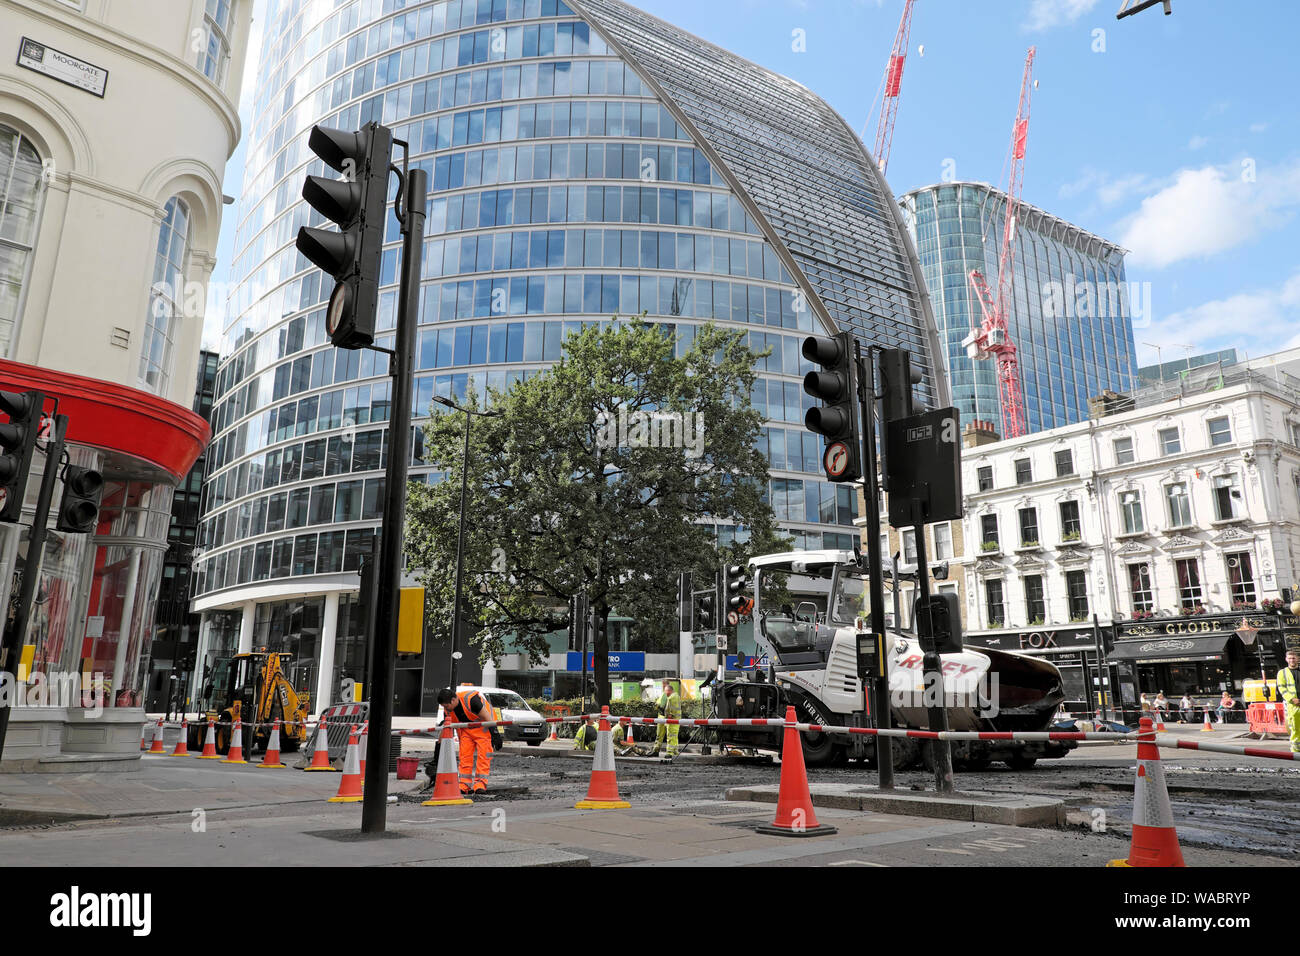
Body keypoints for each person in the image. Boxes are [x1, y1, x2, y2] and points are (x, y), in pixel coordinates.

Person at [437, 686, 502, 793]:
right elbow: (446, 727)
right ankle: (463, 784)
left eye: (446, 705)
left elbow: (487, 717)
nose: (446, 708)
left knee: (484, 756)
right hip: (467, 730)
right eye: (443, 706)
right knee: (464, 756)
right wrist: (439, 745)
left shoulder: (471, 700)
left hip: (483, 728)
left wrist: (495, 734)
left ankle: (480, 784)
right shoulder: (448, 710)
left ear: (453, 700)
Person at [649, 679, 681, 757]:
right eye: (663, 685)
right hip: (663, 717)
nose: (662, 686)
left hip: (667, 718)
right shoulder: (665, 695)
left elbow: (665, 707)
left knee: (671, 735)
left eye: (664, 685)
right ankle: (657, 750)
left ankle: (671, 752)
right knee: (661, 736)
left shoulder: (670, 696)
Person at [1277, 650, 1300, 754]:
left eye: (1294, 658)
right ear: (1286, 659)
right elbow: (1282, 689)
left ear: (1298, 659)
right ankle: (1296, 751)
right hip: (1293, 705)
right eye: (1290, 658)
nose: (1292, 660)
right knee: (1295, 728)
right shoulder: (1282, 673)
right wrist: (1292, 699)